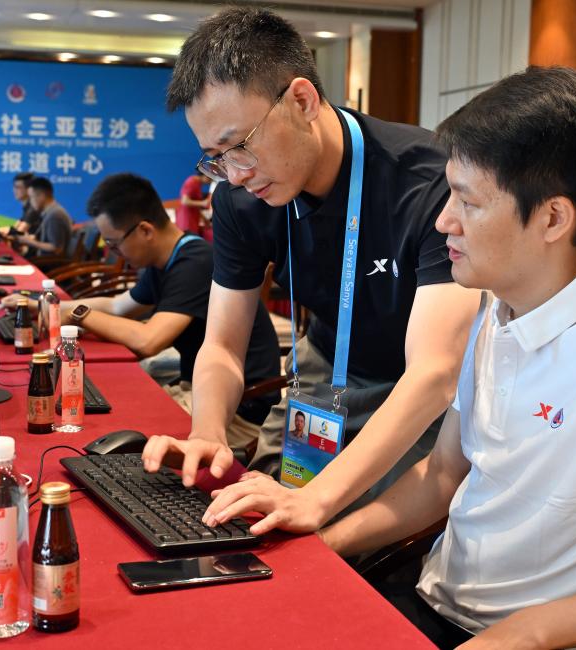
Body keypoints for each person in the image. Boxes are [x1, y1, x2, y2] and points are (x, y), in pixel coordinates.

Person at [318, 66, 576, 648]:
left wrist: (529, 632)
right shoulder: (495, 310)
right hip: (434, 602)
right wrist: (323, 543)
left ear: (552, 218)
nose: (443, 221)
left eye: (467, 201)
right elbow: (442, 475)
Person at [141, 7, 480, 536]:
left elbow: (434, 373)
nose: (236, 174)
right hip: (323, 373)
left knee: (355, 534)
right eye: (215, 157)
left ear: (302, 100)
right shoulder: (239, 197)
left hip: (415, 389)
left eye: (240, 146)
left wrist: (316, 501)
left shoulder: (427, 181)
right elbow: (223, 345)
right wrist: (208, 431)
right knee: (252, 512)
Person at [3, 173, 282, 450]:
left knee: (119, 428)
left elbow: (149, 340)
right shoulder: (165, 259)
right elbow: (117, 306)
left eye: (114, 244)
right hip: (199, 388)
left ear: (145, 230)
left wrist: (78, 313)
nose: (114, 252)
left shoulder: (195, 262)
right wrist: (43, 305)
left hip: (235, 410)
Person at [10, 176, 72, 256]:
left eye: (31, 197)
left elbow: (56, 248)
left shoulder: (55, 215)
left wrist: (29, 241)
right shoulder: (51, 212)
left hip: (47, 262)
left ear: (42, 196)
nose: (30, 202)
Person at [176, 170, 212, 239]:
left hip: (193, 218)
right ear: (206, 175)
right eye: (210, 178)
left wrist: (205, 220)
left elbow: (196, 207)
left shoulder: (198, 183)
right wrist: (203, 203)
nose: (210, 181)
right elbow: (184, 201)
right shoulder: (191, 182)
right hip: (186, 219)